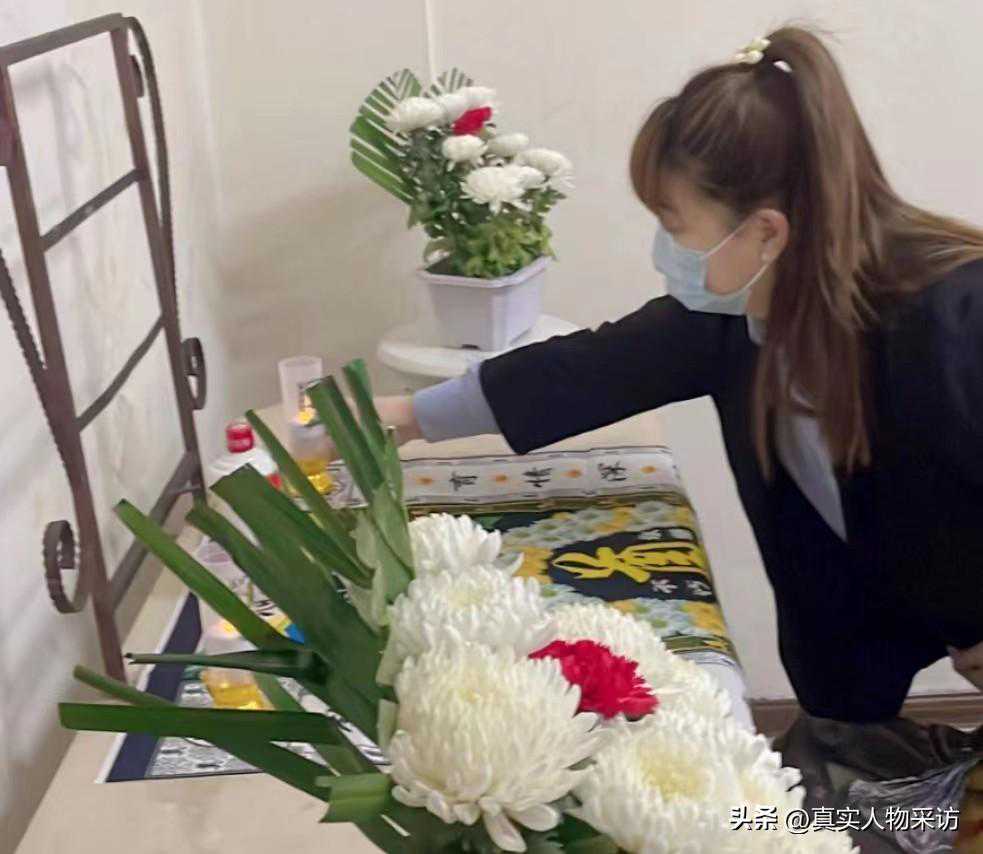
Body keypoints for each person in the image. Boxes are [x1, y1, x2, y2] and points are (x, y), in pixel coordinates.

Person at [368, 26, 983, 723]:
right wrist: (403, 417)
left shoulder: (954, 321)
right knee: (847, 771)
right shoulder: (731, 319)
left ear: (765, 233)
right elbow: (588, 369)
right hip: (866, 634)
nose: (666, 250)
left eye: (676, 224)